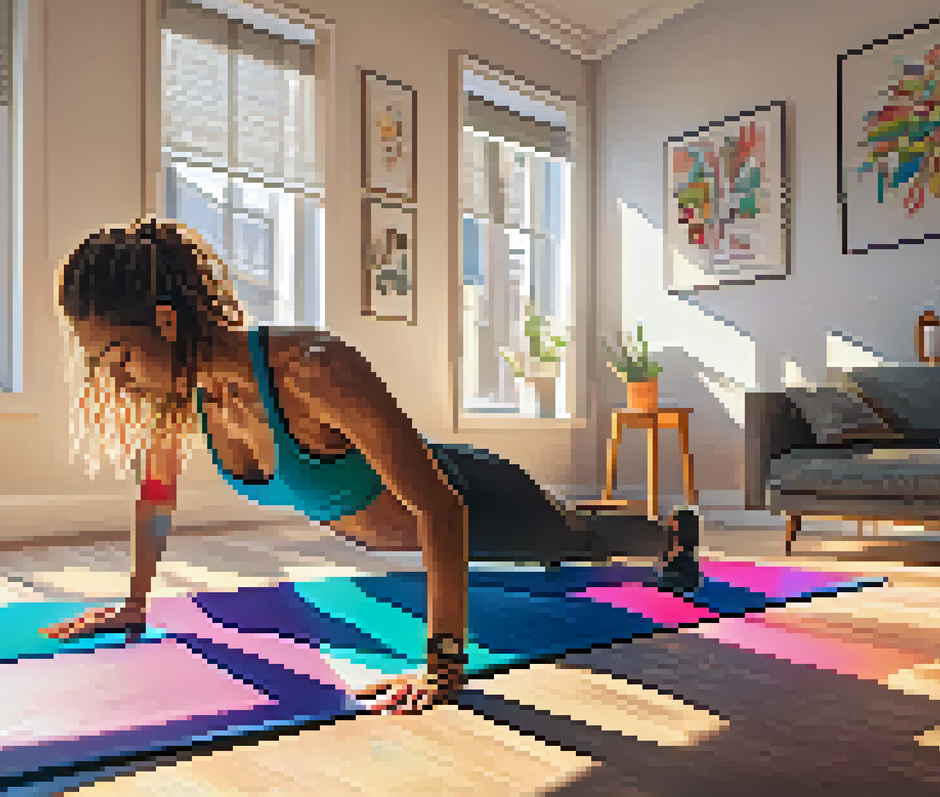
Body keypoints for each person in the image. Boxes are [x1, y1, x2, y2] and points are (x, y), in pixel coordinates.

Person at [40, 218, 667, 715]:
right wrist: (134, 601)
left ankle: (671, 535)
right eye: (101, 362)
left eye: (117, 354)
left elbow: (441, 505)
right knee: (573, 536)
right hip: (415, 529)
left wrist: (444, 663)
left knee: (580, 539)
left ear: (167, 322)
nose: (113, 375)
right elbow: (156, 494)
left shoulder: (312, 368)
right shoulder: (185, 395)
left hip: (480, 499)